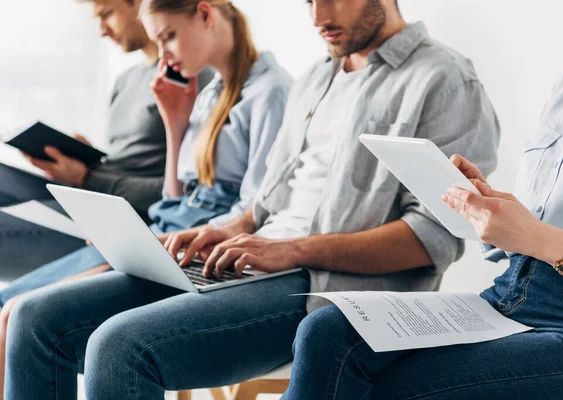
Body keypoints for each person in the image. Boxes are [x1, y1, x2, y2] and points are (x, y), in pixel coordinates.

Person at [3, 0, 499, 398]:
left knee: (118, 347)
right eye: (308, 0)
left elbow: (433, 241)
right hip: (256, 262)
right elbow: (265, 205)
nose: (318, 16)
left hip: (324, 291)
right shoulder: (316, 78)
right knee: (34, 318)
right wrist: (227, 229)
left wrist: (292, 250)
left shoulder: (443, 78)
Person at [281, 1, 563, 398]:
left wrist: (538, 239)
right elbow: (544, 221)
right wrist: (492, 208)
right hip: (512, 291)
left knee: (383, 387)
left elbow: (544, 239)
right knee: (325, 331)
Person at [0, 0, 214, 278]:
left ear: (138, 5)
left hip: (125, 213)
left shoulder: (189, 77)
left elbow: (187, 193)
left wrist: (88, 178)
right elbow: (126, 159)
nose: (102, 31)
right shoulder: (126, 80)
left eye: (107, 15)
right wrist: (89, 159)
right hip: (96, 191)